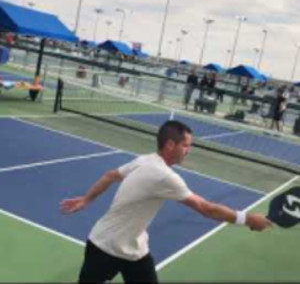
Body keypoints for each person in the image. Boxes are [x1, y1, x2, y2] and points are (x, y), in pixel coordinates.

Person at [60, 120, 272, 284]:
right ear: (171, 145)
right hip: (105, 246)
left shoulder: (145, 159)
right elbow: (206, 208)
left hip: (134, 249)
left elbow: (109, 175)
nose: (189, 150)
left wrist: (86, 200)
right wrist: (247, 219)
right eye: (186, 145)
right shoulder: (163, 175)